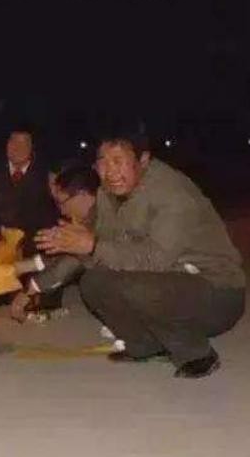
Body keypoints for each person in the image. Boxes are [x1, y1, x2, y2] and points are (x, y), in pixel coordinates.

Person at [35, 126, 245, 378]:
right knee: (94, 282)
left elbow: (155, 259)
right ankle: (145, 345)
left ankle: (197, 354)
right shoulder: (107, 193)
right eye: (103, 163)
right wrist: (36, 286)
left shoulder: (172, 195)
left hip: (217, 293)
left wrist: (92, 246)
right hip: (168, 282)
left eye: (118, 161)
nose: (110, 172)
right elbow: (92, 249)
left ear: (143, 160)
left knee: (139, 288)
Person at [11, 163, 99, 322]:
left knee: (92, 281)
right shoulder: (88, 216)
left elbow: (72, 261)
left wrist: (29, 291)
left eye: (62, 202)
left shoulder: (102, 216)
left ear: (83, 195)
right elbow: (67, 253)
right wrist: (25, 266)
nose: (62, 210)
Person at [0, 127, 58, 257]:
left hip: (32, 252)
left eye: (24, 143)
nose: (17, 147)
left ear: (32, 149)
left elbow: (49, 218)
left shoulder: (46, 178)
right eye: (13, 141)